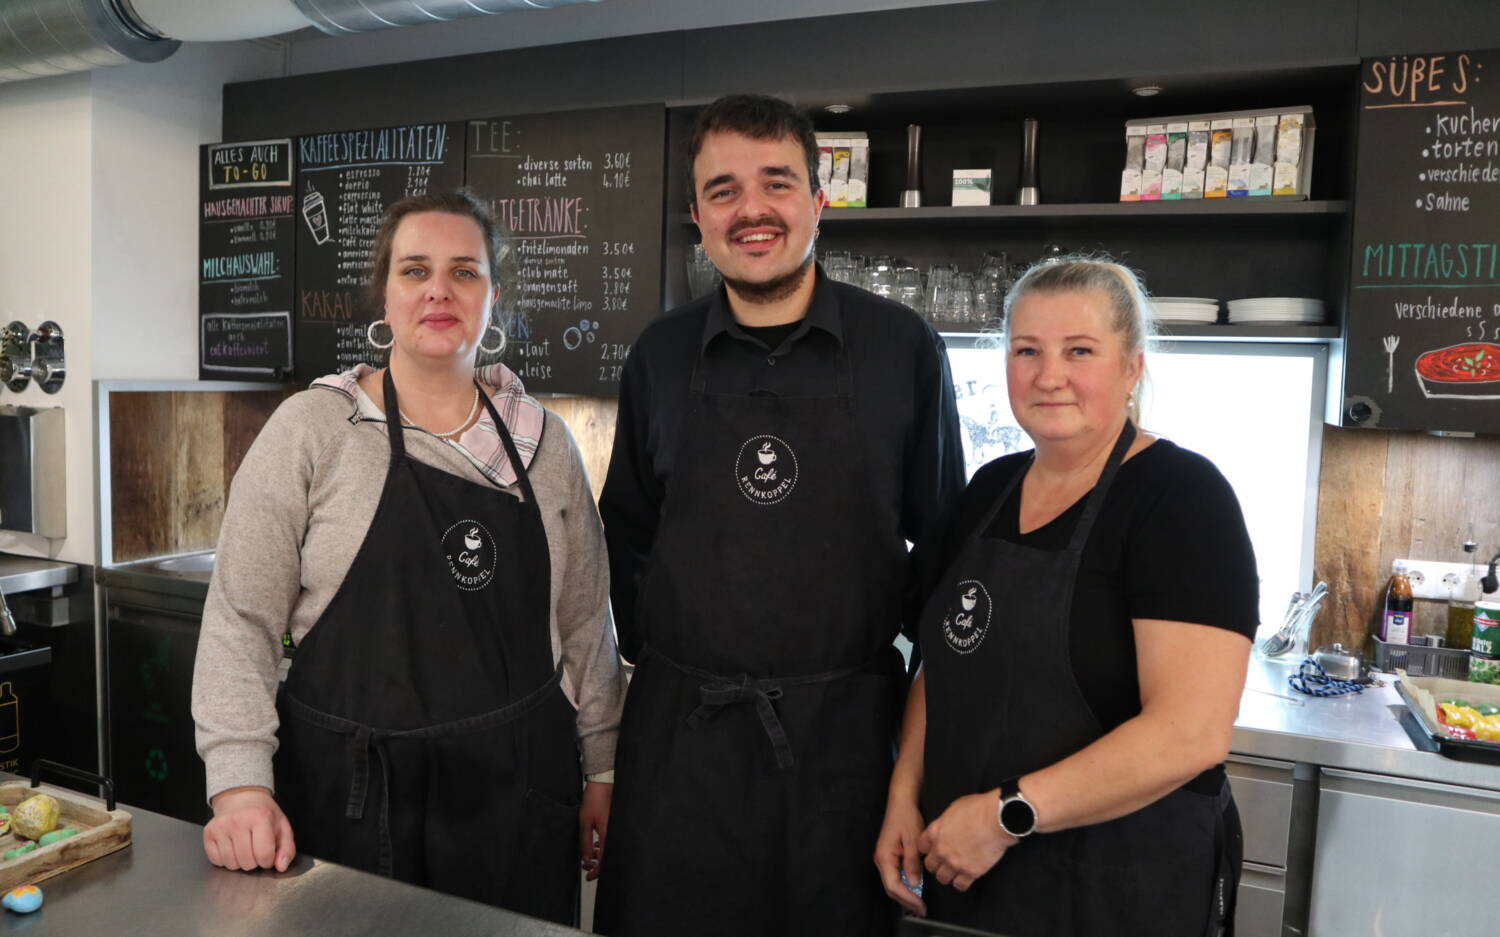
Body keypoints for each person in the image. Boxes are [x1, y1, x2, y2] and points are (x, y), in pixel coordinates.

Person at [191, 190, 625, 924]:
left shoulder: (543, 445)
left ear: (493, 297)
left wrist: (604, 766)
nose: (438, 291)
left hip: (514, 800)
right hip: (350, 801)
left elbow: (588, 623)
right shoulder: (314, 428)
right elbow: (241, 620)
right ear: (385, 295)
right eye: (415, 270)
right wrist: (239, 786)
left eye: (465, 272)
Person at [592, 94, 966, 937]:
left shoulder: (902, 349)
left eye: (776, 182)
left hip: (846, 753)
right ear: (697, 215)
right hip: (682, 748)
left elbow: (943, 554)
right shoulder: (658, 354)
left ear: (817, 200)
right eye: (722, 190)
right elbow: (627, 535)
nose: (751, 209)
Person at [875, 258, 1258, 936]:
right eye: (1027, 351)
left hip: (1116, 888)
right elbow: (943, 665)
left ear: (1131, 366)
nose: (1049, 375)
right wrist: (903, 797)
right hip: (964, 875)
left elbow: (1190, 733)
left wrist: (1003, 816)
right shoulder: (986, 493)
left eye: (1079, 351)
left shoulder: (1182, 500)